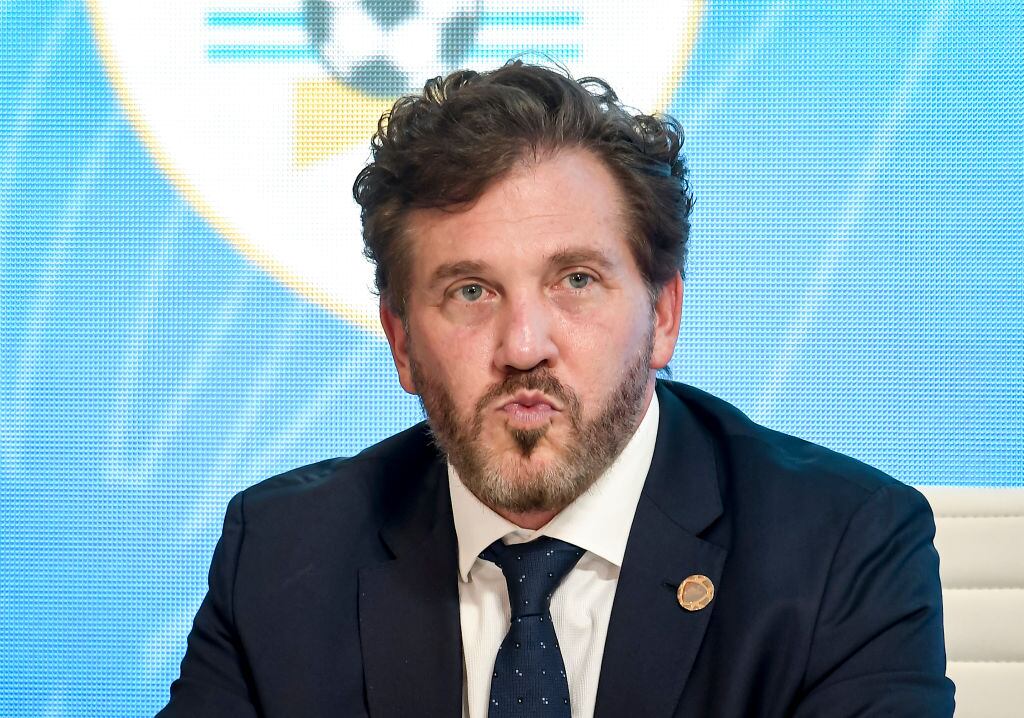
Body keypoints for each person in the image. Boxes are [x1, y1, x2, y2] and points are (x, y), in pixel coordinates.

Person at [158, 61, 954, 717]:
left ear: (663, 316)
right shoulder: (285, 554)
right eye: (470, 291)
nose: (524, 346)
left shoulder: (841, 549)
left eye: (575, 280)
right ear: (401, 341)